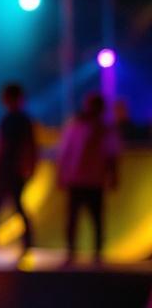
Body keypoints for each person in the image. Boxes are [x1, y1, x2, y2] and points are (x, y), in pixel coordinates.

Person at [56, 92, 121, 264]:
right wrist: (61, 174)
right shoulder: (78, 126)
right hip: (80, 179)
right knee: (76, 218)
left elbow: (111, 155)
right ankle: (73, 252)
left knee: (93, 219)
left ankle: (95, 253)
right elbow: (66, 152)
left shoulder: (103, 129)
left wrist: (113, 176)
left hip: (91, 180)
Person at [0, 83, 36, 252]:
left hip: (7, 169)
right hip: (15, 170)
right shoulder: (23, 120)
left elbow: (4, 147)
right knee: (16, 206)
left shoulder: (9, 120)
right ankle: (27, 242)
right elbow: (31, 146)